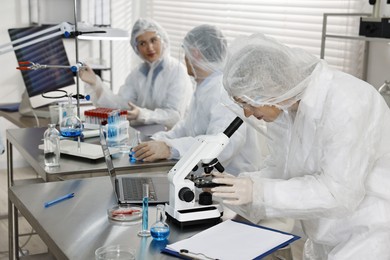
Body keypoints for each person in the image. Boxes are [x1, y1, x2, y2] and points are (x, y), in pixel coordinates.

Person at [211, 33, 390, 259]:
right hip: (323, 236)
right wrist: (234, 188)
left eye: (247, 103)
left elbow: (338, 193)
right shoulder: (283, 108)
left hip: (369, 234)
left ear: (270, 84)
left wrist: (257, 191)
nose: (248, 113)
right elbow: (280, 172)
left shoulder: (348, 102)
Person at [132, 25, 265, 175]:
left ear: (194, 54)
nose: (185, 58)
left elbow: (221, 145)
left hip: (231, 182)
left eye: (186, 53)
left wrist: (170, 149)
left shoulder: (223, 91)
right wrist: (160, 140)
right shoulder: (205, 84)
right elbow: (188, 127)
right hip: (204, 178)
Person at [79, 18, 193, 129]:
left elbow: (174, 116)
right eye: (143, 43)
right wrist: (96, 83)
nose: (150, 47)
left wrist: (142, 115)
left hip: (173, 138)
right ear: (136, 48)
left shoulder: (177, 71)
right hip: (146, 135)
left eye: (153, 40)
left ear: (163, 40)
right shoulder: (137, 73)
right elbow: (121, 106)